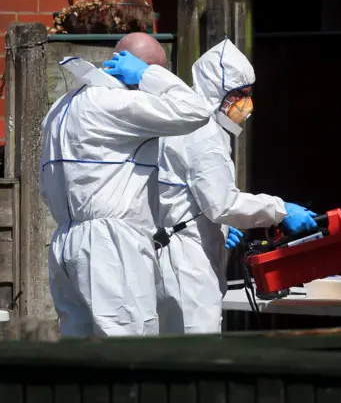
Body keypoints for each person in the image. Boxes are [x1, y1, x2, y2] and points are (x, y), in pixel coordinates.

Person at [40, 33, 213, 337]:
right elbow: (196, 110)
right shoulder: (118, 103)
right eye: (153, 71)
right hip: (112, 245)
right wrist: (150, 75)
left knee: (79, 355)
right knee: (129, 351)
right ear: (134, 69)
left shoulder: (60, 107)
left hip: (66, 240)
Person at [156, 39, 317, 334]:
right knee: (196, 354)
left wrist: (223, 228)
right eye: (240, 94)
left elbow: (190, 195)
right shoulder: (202, 132)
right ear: (218, 91)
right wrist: (280, 210)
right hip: (188, 264)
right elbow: (222, 204)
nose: (246, 104)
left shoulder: (184, 123)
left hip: (179, 253)